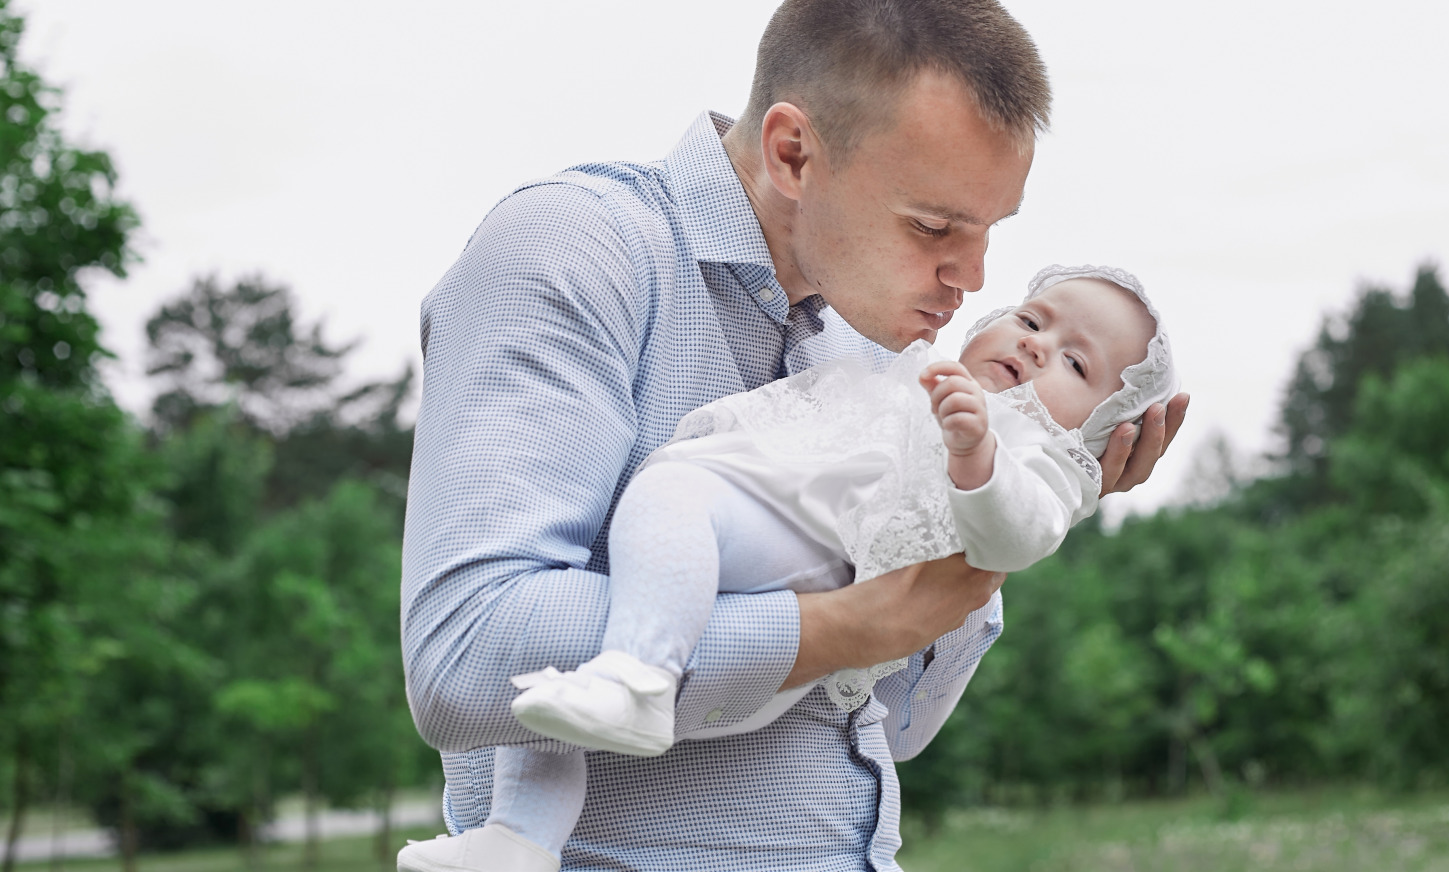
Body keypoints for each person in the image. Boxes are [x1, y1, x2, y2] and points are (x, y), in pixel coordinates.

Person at [399, 0, 1189, 872]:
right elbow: (466, 654)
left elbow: (886, 732)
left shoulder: (883, 353)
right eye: (935, 228)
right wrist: (853, 624)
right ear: (793, 153)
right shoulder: (577, 252)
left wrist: (1015, 500)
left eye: (989, 235)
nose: (972, 280)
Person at [397, 266, 1178, 871]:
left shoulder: (1034, 458)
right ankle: (518, 838)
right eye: (1032, 318)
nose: (1037, 343)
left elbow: (905, 717)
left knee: (664, 516)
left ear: (1103, 428)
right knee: (560, 699)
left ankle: (642, 672)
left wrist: (989, 466)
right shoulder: (900, 366)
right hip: (757, 548)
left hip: (793, 568)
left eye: (1075, 363)